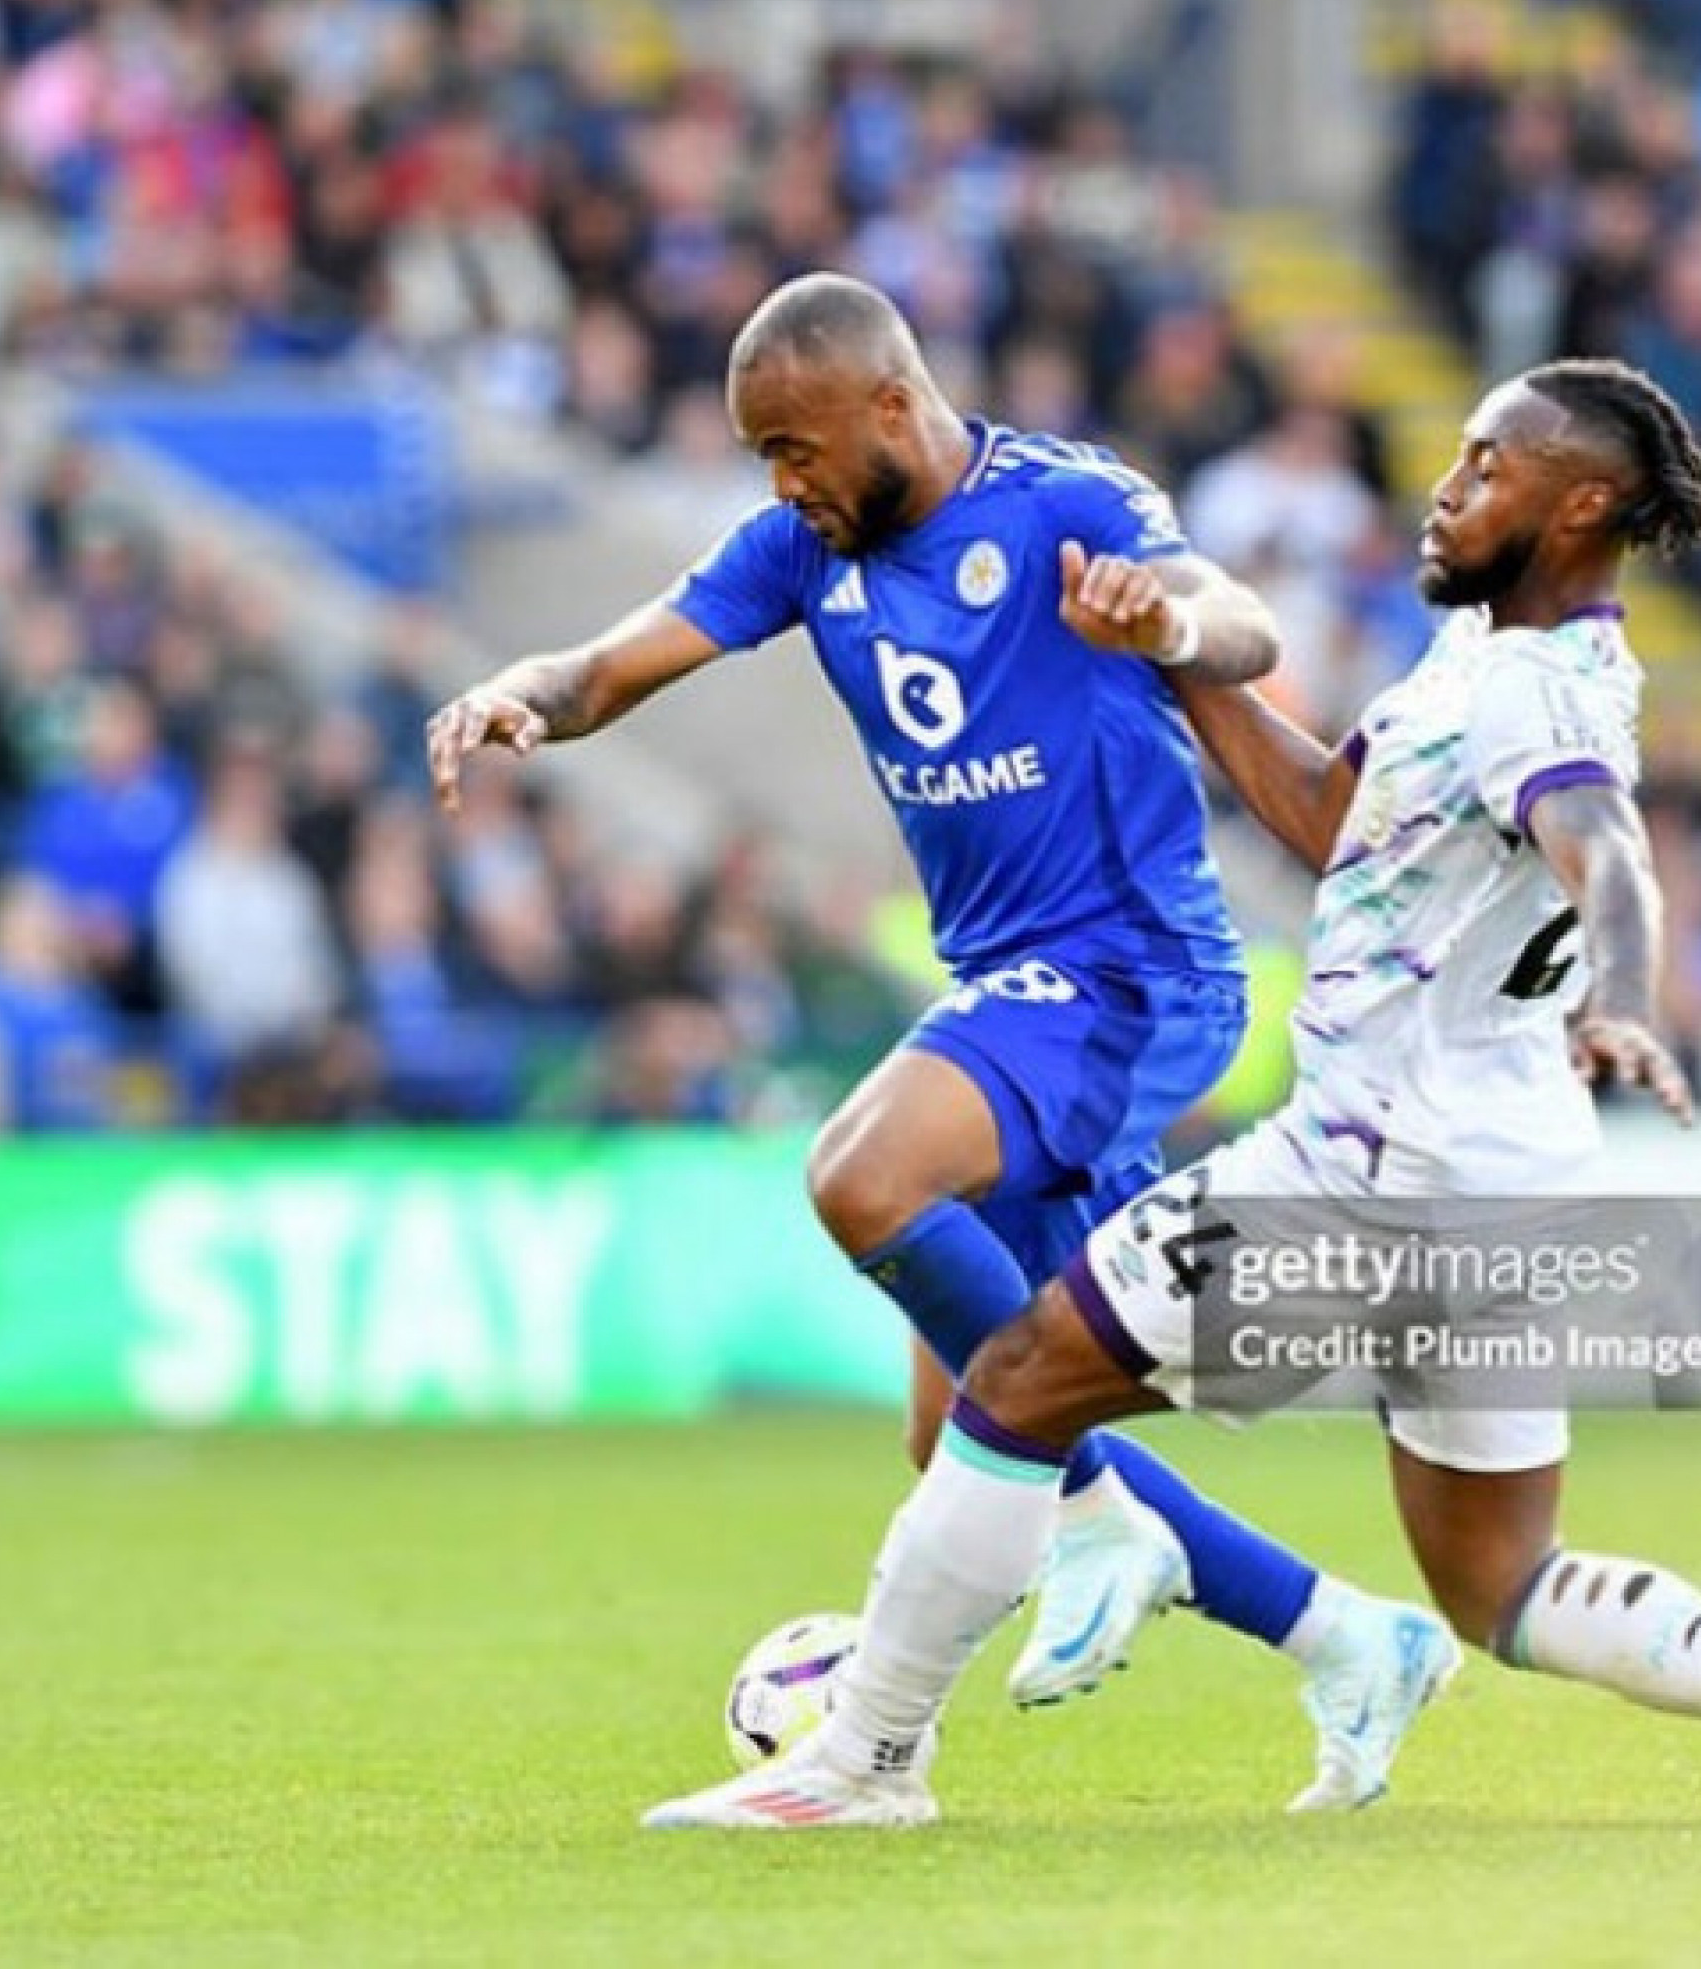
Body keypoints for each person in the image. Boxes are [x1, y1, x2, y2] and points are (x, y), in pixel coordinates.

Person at [643, 357, 1701, 1830]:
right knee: (1503, 1579)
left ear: (1582, 507)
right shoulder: (1492, 666)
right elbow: (1329, 819)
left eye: (1489, 467)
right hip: (1510, 1181)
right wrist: (1169, 649)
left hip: (1370, 1179)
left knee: (1017, 1381)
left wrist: (1625, 991)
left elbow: (1606, 845)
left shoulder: (1534, 697)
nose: (1447, 485)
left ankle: (867, 1760)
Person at [429, 273, 1452, 1791]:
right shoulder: (799, 548)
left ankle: (1040, 1590)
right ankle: (1348, 1640)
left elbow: (1234, 621)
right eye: (761, 454)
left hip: (1133, 969)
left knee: (859, 1176)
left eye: (796, 446)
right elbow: (615, 666)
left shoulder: (1061, 503)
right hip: (1014, 990)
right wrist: (525, 691)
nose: (783, 481)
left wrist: (1163, 611)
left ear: (893, 405)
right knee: (972, 1438)